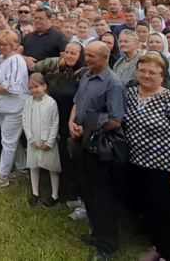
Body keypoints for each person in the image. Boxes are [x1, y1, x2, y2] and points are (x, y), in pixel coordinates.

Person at [123, 51, 170, 261]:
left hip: (163, 167)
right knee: (148, 208)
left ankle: (168, 254)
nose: (146, 75)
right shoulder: (130, 94)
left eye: (152, 72)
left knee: (165, 212)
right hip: (136, 162)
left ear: (162, 75)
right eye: (142, 71)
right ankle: (157, 247)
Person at [69, 41, 125, 260]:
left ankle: (108, 246)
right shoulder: (86, 75)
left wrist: (89, 129)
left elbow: (115, 120)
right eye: (87, 55)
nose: (87, 59)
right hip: (83, 142)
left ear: (105, 57)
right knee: (89, 192)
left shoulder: (113, 84)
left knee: (102, 197)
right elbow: (77, 102)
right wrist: (71, 123)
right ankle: (96, 233)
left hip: (100, 145)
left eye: (92, 56)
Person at [31, 41, 85, 202]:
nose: (69, 55)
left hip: (73, 123)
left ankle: (76, 195)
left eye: (73, 53)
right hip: (57, 120)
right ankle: (61, 191)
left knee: (73, 160)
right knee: (61, 158)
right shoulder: (63, 72)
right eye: (67, 52)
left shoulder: (84, 75)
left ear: (81, 56)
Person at [0, 29, 30, 189]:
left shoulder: (16, 61)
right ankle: (22, 168)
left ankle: (2, 175)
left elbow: (13, 86)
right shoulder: (2, 59)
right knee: (11, 139)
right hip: (2, 107)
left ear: (14, 45)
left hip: (14, 107)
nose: (1, 47)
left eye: (5, 45)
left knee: (8, 142)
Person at [22, 72, 61, 207]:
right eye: (31, 88)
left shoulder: (51, 103)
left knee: (52, 167)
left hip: (47, 142)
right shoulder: (28, 102)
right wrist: (30, 139)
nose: (34, 90)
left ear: (44, 86)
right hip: (33, 140)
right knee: (34, 165)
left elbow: (55, 122)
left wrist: (50, 141)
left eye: (37, 87)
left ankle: (54, 195)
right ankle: (35, 193)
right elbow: (25, 120)